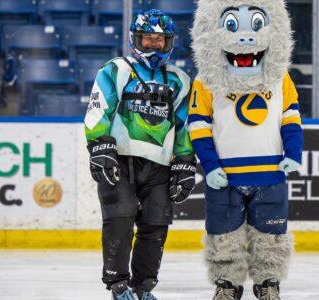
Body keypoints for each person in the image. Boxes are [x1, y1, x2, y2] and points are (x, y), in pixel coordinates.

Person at [189, 0, 303, 299]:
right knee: (223, 232)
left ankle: (269, 281)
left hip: (269, 174)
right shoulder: (205, 81)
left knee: (271, 234)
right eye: (230, 25)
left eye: (255, 25)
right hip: (226, 174)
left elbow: (291, 118)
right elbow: (198, 126)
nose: (244, 38)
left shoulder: (280, 77)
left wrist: (293, 153)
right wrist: (210, 166)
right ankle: (227, 283)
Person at [84, 9, 196, 300]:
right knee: (119, 219)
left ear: (169, 43)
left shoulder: (180, 80)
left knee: (156, 224)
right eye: (148, 38)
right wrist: (99, 144)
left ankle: (143, 286)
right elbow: (99, 110)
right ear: (136, 39)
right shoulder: (116, 69)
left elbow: (184, 125)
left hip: (160, 166)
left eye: (160, 40)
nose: (154, 45)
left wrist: (185, 161)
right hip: (119, 160)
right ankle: (118, 285)